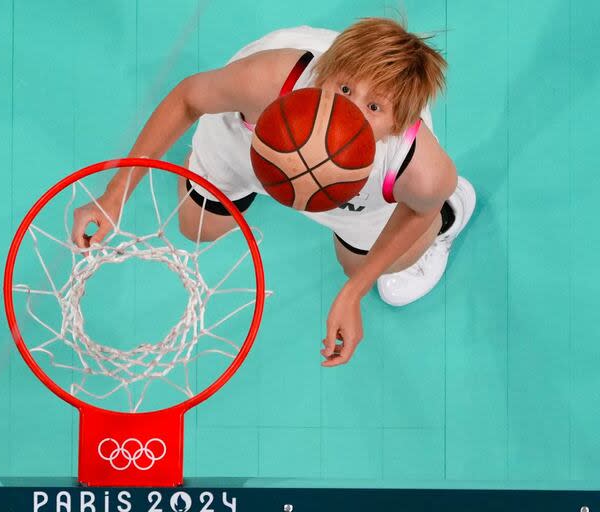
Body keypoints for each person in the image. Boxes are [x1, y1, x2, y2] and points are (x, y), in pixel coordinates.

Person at [71, 18, 476, 367]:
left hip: (362, 194)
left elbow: (418, 209)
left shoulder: (416, 168)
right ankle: (222, 170)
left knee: (360, 265)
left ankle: (450, 218)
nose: (349, 110)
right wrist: (116, 194)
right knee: (196, 229)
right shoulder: (269, 80)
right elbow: (188, 98)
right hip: (249, 140)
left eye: (375, 108)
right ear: (326, 74)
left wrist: (356, 290)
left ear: (397, 126)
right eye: (346, 89)